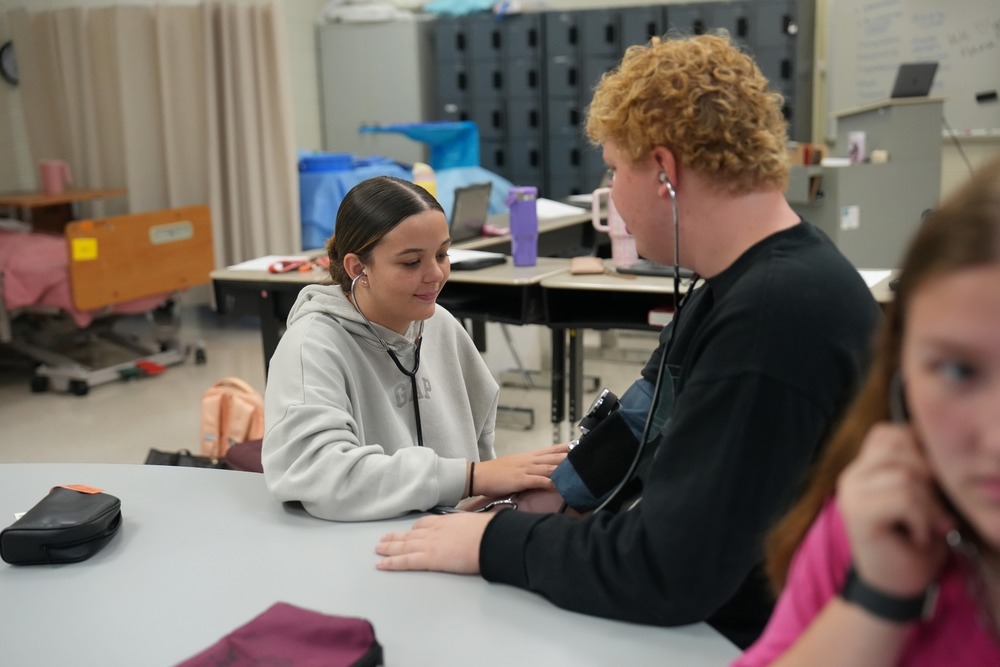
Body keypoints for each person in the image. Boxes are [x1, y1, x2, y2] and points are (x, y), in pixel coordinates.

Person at [374, 33, 882, 648]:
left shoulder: (772, 320)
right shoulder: (749, 278)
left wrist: (492, 543)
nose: (612, 192)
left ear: (665, 171)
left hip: (753, 638)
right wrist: (550, 498)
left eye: (615, 169)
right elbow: (647, 413)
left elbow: (666, 570)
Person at [733, 157, 1000, 665]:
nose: (994, 439)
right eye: (958, 372)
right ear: (902, 375)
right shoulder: (882, 515)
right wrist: (878, 598)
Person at [262, 176, 567, 521]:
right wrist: (467, 478)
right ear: (358, 268)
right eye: (411, 263)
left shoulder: (442, 325)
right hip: (361, 544)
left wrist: (482, 499)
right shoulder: (312, 347)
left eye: (442, 254)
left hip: (449, 534)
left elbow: (481, 439)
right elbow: (318, 473)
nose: (436, 274)